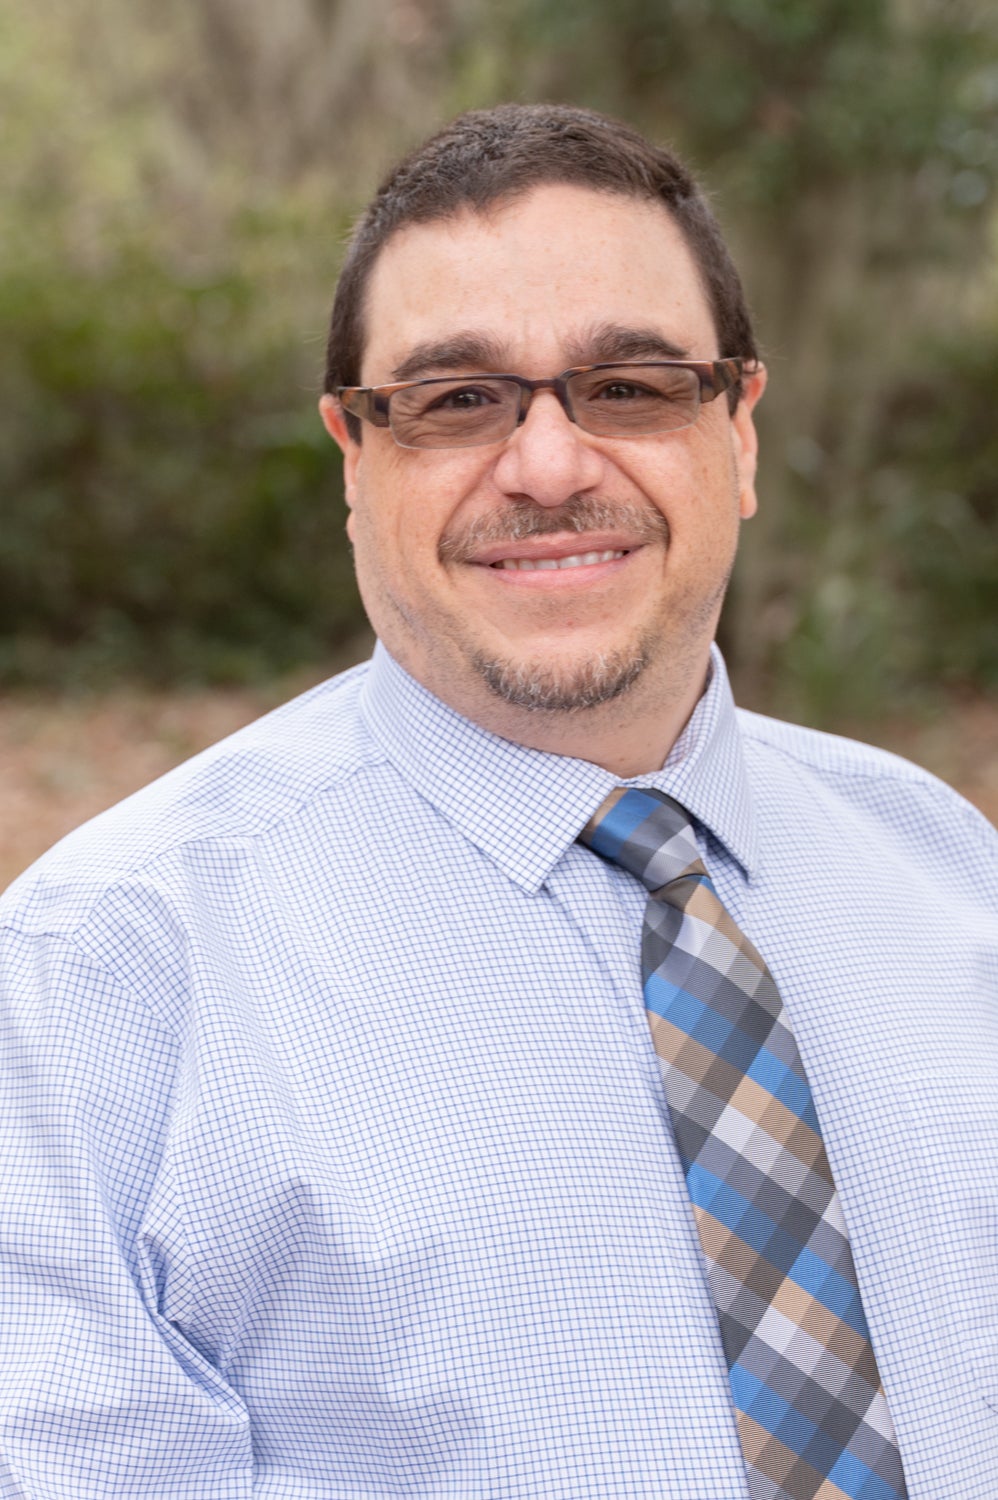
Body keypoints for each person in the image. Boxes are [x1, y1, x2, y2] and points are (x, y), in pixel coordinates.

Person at [1, 103, 995, 1500]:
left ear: (741, 436)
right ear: (354, 456)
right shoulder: (103, 972)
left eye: (632, 386)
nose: (545, 467)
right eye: (456, 399)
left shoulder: (947, 872)